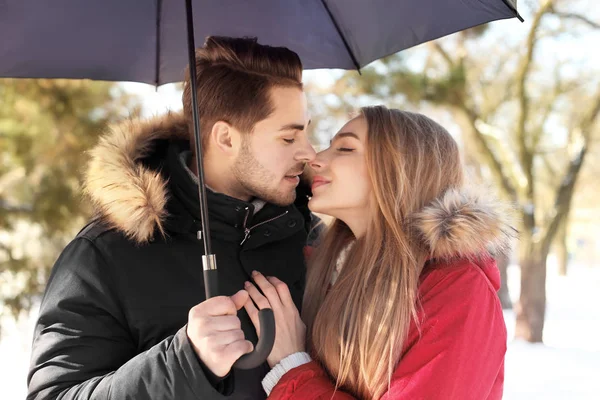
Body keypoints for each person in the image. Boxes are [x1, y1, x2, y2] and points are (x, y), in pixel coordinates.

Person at [27, 36, 318, 400]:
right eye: (289, 139)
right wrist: (184, 362)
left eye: (307, 130)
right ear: (226, 138)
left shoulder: (314, 239)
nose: (310, 152)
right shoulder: (106, 254)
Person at [244, 106, 516, 399]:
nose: (316, 158)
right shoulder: (323, 269)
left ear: (402, 169)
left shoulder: (458, 288)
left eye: (345, 148)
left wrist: (291, 370)